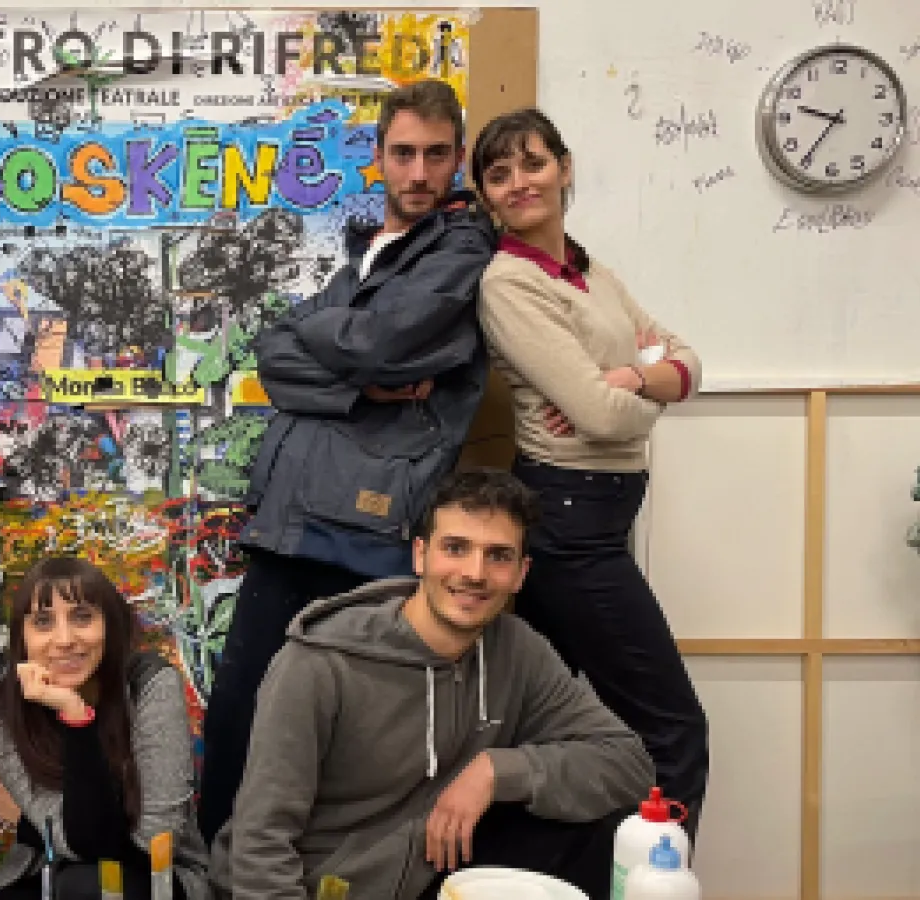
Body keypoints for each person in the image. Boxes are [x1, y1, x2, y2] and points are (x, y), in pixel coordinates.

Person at [197, 78, 498, 844]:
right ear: (378, 157)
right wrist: (362, 386)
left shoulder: (462, 251)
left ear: (459, 158)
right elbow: (273, 354)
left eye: (436, 155)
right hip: (292, 520)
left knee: (336, 744)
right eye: (404, 153)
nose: (419, 173)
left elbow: (381, 345)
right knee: (239, 722)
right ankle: (220, 882)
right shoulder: (362, 263)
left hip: (362, 533)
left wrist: (352, 355)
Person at [211, 470, 656, 900]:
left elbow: (628, 763)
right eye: (456, 548)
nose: (475, 573)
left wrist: (495, 771)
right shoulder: (319, 662)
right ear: (420, 556)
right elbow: (260, 842)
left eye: (498, 556)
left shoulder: (519, 650)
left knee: (603, 826)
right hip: (321, 885)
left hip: (430, 875)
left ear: (521, 573)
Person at [470, 107, 709, 837]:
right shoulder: (510, 283)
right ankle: (652, 878)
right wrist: (647, 390)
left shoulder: (591, 273)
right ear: (485, 196)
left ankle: (562, 878)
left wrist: (633, 379)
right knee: (672, 729)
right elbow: (600, 416)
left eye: (533, 163)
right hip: (568, 520)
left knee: (554, 730)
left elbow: (687, 361)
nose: (519, 183)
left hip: (598, 516)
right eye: (499, 175)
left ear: (564, 168)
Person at [0, 558, 212, 900]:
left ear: (109, 625)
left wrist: (75, 718)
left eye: (82, 617)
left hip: (157, 876)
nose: (64, 639)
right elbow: (75, 842)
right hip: (52, 868)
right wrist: (73, 716)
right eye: (43, 622)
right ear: (22, 637)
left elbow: (154, 842)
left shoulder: (149, 685)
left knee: (89, 886)